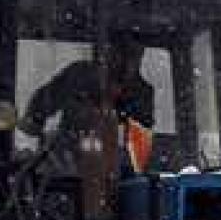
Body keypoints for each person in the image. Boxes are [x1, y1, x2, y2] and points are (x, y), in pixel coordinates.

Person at [18, 36, 155, 173]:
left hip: (117, 172)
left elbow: (141, 136)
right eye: (119, 53)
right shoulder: (79, 75)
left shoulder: (142, 93)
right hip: (64, 167)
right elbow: (38, 111)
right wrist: (34, 120)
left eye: (132, 56)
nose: (124, 63)